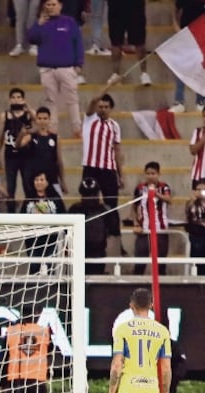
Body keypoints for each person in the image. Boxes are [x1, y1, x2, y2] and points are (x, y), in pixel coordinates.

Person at [27, 0, 84, 139]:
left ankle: (77, 129)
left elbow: (78, 43)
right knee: (50, 101)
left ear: (60, 6)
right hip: (47, 68)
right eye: (48, 5)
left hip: (67, 68)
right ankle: (52, 131)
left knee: (72, 99)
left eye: (53, 4)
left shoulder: (69, 22)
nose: (51, 7)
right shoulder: (41, 23)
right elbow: (31, 39)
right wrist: (39, 24)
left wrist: (79, 64)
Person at [82, 85, 123, 242]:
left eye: (106, 107)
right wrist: (110, 84)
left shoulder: (114, 126)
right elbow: (93, 100)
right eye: (101, 106)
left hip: (108, 169)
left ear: (111, 109)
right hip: (90, 167)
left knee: (112, 205)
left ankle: (115, 240)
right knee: (87, 203)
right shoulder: (89, 119)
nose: (103, 109)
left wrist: (121, 174)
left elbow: (117, 151)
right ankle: (86, 237)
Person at [0, 88, 35, 213]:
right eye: (13, 97)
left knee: (28, 185)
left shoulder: (28, 114)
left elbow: (37, 122)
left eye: (19, 97)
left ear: (23, 99)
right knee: (11, 187)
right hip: (10, 154)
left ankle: (28, 212)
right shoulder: (5, 115)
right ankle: (11, 213)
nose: (16, 99)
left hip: (26, 154)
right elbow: (1, 135)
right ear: (10, 99)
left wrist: (28, 108)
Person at [131, 161, 173, 276]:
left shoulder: (164, 187)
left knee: (161, 264)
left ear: (158, 174)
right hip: (144, 231)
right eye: (148, 173)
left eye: (153, 173)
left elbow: (169, 200)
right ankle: (136, 289)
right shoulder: (139, 188)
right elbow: (134, 206)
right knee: (139, 263)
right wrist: (136, 223)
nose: (150, 176)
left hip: (161, 230)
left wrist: (155, 194)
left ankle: (162, 290)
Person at [16, 106, 66, 199]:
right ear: (36, 120)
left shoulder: (55, 137)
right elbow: (18, 145)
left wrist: (62, 181)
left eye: (45, 118)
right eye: (39, 118)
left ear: (49, 120)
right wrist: (21, 134)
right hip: (36, 179)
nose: (42, 121)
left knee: (56, 205)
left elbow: (59, 160)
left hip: (52, 177)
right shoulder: (31, 136)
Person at [68, 176, 110, 275]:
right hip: (79, 252)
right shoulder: (74, 209)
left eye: (93, 194)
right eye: (87, 195)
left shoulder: (104, 210)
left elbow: (112, 230)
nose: (90, 197)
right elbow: (68, 232)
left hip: (98, 252)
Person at [105, 0, 151, 86]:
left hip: (135, 5)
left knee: (139, 41)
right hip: (116, 6)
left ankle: (144, 73)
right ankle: (115, 74)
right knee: (116, 41)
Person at [170, 2, 205, 112]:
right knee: (182, 67)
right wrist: (177, 29)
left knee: (201, 68)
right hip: (186, 36)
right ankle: (179, 101)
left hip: (202, 37)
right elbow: (175, 12)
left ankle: (201, 101)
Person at [185, 178, 205, 276]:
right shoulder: (192, 203)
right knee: (197, 264)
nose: (200, 192)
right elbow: (188, 216)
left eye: (202, 189)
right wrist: (192, 202)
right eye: (197, 189)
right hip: (196, 236)